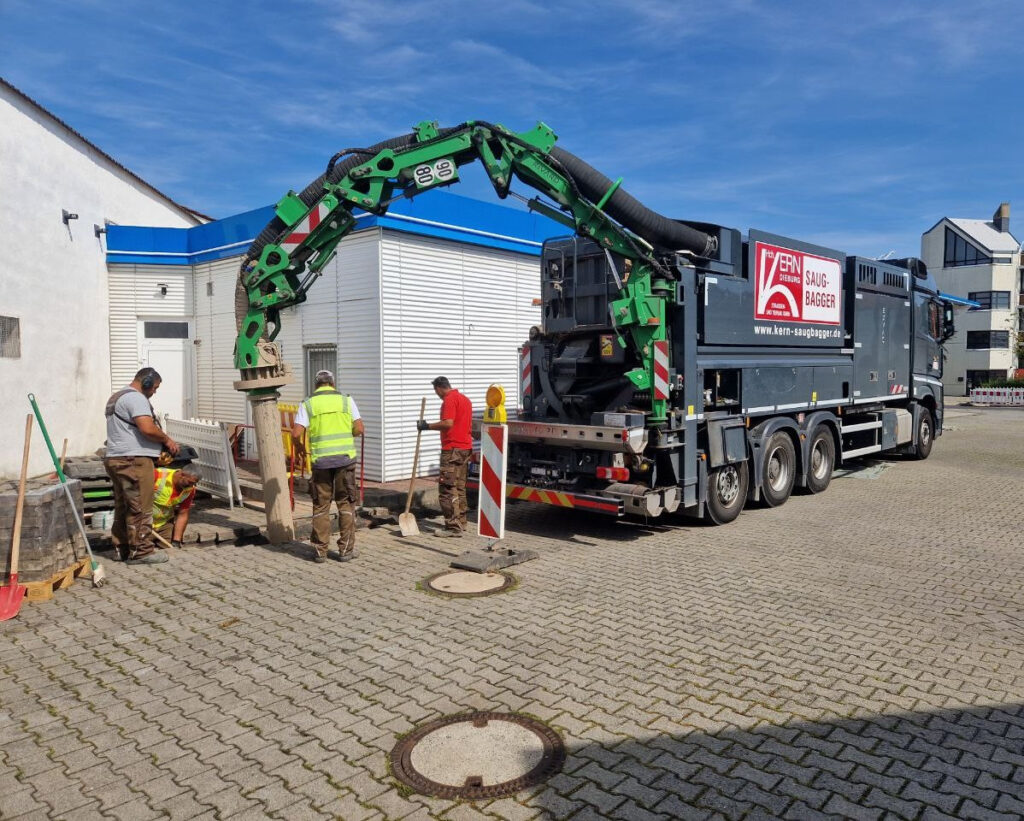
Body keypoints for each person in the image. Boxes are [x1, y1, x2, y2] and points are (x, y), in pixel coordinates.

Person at [103, 367, 180, 564]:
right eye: (154, 387)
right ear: (145, 382)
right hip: (133, 460)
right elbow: (147, 428)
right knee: (141, 506)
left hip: (116, 458)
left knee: (124, 505)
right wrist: (167, 440)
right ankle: (142, 551)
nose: (154, 391)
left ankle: (122, 548)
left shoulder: (116, 397)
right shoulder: (136, 398)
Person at [292, 370, 364, 563]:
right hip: (345, 460)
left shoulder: (308, 403)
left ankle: (319, 552)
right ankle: (346, 550)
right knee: (346, 503)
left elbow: (296, 433)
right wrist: (346, 436)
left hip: (321, 462)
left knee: (321, 505)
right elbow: (359, 428)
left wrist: (299, 450)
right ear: (332, 383)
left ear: (316, 385)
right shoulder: (346, 400)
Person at [418, 376, 473, 537]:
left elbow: (448, 423)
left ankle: (452, 527)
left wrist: (426, 426)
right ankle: (461, 522)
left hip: (452, 449)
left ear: (439, 388)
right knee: (460, 487)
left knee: (447, 488)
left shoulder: (449, 400)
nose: (436, 394)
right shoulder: (465, 400)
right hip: (465, 448)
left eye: (436, 390)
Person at [152, 467, 200, 548]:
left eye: (194, 484)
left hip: (163, 524)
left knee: (168, 546)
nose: (191, 486)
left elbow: (183, 514)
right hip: (144, 523)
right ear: (182, 475)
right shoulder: (157, 474)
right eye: (190, 482)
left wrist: (176, 541)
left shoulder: (189, 490)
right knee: (140, 547)